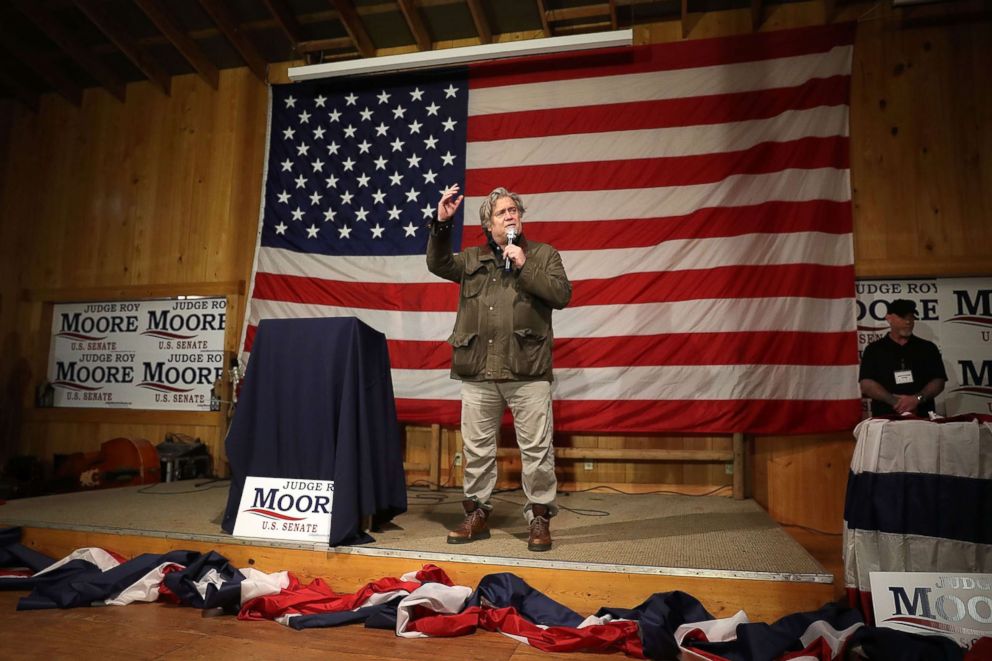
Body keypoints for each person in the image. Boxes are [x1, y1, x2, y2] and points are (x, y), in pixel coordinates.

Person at [427, 184, 572, 552]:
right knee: (476, 449)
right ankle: (477, 513)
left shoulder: (542, 255)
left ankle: (539, 517)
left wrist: (524, 265)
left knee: (537, 450)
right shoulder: (472, 259)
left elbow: (562, 295)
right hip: (478, 372)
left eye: (513, 211)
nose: (510, 216)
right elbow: (438, 263)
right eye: (501, 213)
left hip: (528, 371)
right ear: (488, 225)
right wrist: (442, 223)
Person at [859, 299, 947, 417]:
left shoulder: (928, 348)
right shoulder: (874, 350)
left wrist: (917, 399)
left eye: (911, 317)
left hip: (922, 416)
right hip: (886, 418)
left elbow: (938, 381)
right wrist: (896, 402)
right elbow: (866, 384)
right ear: (889, 318)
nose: (908, 322)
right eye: (903, 317)